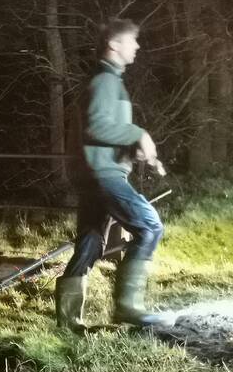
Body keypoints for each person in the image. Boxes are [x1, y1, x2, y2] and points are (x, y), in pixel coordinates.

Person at [55, 18, 166, 332]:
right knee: (149, 226)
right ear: (115, 44)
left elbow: (101, 132)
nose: (137, 47)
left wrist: (135, 149)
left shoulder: (104, 81)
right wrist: (138, 133)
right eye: (132, 41)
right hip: (103, 176)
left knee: (89, 244)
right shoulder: (105, 82)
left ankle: (68, 325)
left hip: (93, 174)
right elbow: (96, 126)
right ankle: (128, 306)